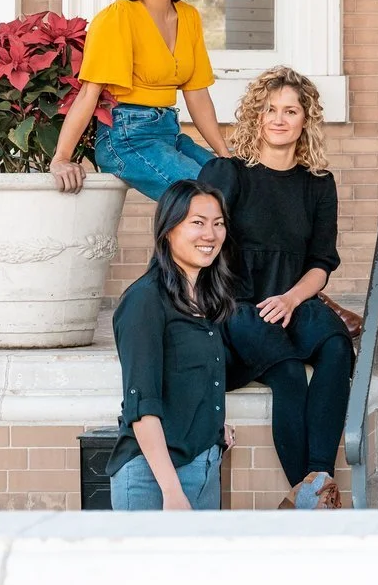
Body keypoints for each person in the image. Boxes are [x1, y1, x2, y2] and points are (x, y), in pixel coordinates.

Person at [200, 67, 349, 510]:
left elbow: (322, 262)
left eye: (290, 110)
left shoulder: (319, 183)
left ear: (306, 119)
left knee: (337, 346)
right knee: (286, 371)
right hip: (238, 301)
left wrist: (292, 298)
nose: (279, 119)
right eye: (270, 110)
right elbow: (197, 237)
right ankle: (313, 496)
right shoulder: (229, 172)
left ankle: (317, 480)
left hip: (290, 297)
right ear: (256, 116)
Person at [51, 0, 229, 199]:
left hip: (168, 133)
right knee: (203, 197)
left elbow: (197, 94)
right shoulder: (118, 17)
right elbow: (89, 94)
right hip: (126, 139)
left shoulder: (189, 17)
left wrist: (224, 156)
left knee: (235, 183)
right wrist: (61, 157)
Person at [107, 179, 238, 510]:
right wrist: (172, 491)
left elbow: (191, 378)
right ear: (168, 229)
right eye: (197, 223)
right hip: (154, 478)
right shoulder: (145, 301)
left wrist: (212, 420)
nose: (210, 234)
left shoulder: (204, 299)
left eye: (218, 224)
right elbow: (141, 405)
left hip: (203, 465)